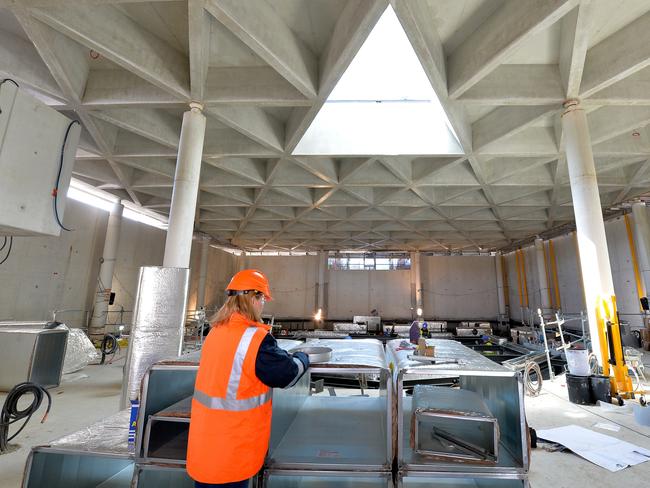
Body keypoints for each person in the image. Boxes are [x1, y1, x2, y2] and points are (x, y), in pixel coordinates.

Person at [186, 269, 309, 487]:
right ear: (253, 298)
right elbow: (286, 374)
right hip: (233, 447)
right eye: (262, 299)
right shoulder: (254, 338)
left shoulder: (215, 331)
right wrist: (303, 358)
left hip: (205, 443)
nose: (262, 304)